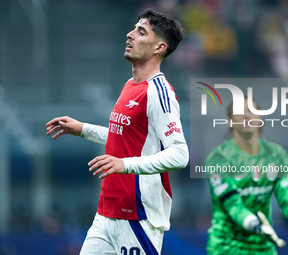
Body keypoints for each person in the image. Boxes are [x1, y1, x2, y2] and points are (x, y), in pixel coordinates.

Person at [46, 9, 188, 255]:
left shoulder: (159, 92)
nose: (130, 34)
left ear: (159, 47)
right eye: (134, 28)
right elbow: (125, 137)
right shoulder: (129, 85)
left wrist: (125, 165)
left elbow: (180, 155)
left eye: (141, 32)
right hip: (106, 213)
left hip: (138, 217)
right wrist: (82, 129)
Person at [205, 97, 288, 255]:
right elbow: (234, 207)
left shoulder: (277, 155)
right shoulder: (218, 158)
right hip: (226, 247)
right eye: (240, 112)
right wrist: (257, 226)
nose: (246, 115)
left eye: (251, 111)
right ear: (230, 121)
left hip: (264, 246)